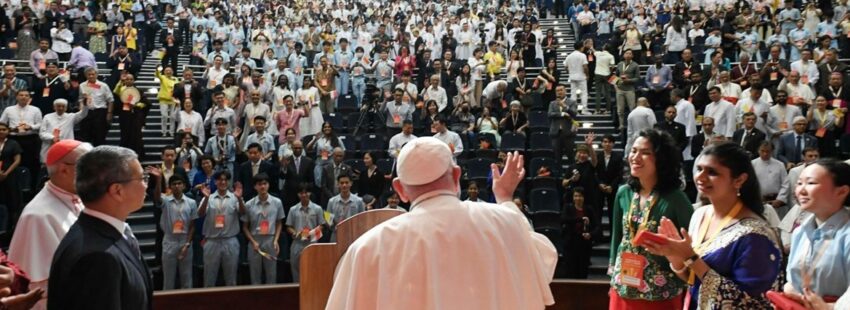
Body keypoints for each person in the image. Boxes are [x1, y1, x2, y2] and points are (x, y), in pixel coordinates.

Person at [326, 139, 557, 309]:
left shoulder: (367, 248)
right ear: (457, 177)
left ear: (400, 190)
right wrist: (505, 198)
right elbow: (543, 261)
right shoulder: (506, 223)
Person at [642, 142, 782, 309]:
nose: (700, 177)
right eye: (699, 169)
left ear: (739, 180)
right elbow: (693, 279)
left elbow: (749, 302)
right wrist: (674, 255)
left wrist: (691, 257)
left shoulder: (755, 234)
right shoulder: (700, 214)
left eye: (712, 172)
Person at [48, 145, 153, 310]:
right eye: (142, 178)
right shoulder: (99, 257)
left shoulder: (95, 231)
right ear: (117, 190)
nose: (146, 185)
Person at [608, 129, 693, 309]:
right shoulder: (624, 193)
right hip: (623, 285)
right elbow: (618, 236)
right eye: (634, 150)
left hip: (661, 292)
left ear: (661, 159)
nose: (636, 157)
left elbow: (692, 244)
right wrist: (611, 275)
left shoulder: (676, 198)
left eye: (646, 153)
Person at [8, 140, 91, 310]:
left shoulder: (79, 200)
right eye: (88, 166)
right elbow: (38, 287)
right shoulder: (38, 216)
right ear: (64, 169)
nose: (96, 173)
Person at [782, 159, 850, 308]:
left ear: (842, 191)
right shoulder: (800, 232)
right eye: (799, 183)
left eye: (811, 183)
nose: (801, 190)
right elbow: (793, 279)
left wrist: (829, 307)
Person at [198, 170, 245, 287]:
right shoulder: (208, 197)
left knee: (231, 278)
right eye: (220, 179)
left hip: (230, 240)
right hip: (212, 241)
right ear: (215, 181)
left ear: (229, 182)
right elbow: (200, 214)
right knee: (209, 278)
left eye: (225, 180)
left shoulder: (235, 197)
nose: (223, 182)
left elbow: (243, 213)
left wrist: (239, 198)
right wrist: (206, 198)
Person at [150, 173, 196, 290]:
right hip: (169, 241)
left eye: (179, 183)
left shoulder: (191, 202)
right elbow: (156, 198)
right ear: (170, 187)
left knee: (187, 278)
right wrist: (159, 179)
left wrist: (187, 244)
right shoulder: (165, 200)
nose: (177, 186)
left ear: (184, 186)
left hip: (184, 241)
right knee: (168, 279)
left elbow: (192, 226)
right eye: (174, 184)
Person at [241, 173, 284, 285]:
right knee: (255, 275)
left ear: (268, 185)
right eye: (259, 184)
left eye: (265, 184)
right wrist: (253, 241)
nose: (262, 187)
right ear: (255, 187)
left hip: (270, 240)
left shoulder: (277, 202)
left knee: (271, 274)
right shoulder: (249, 204)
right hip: (255, 241)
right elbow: (245, 227)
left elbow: (279, 223)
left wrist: (276, 240)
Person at [285, 183, 325, 283]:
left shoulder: (317, 208)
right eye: (301, 193)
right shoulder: (293, 209)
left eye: (306, 192)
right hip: (297, 243)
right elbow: (288, 226)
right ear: (298, 194)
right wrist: (294, 233)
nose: (304, 195)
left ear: (310, 193)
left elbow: (322, 225)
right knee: (296, 272)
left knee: (313, 271)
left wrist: (312, 233)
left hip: (312, 243)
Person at [561, 187, 599, 279]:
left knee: (583, 271)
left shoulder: (589, 209)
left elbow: (597, 226)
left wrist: (590, 234)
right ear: (573, 197)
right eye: (576, 196)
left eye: (580, 196)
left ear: (584, 197)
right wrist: (580, 219)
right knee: (571, 270)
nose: (578, 198)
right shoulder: (568, 207)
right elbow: (564, 219)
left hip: (584, 243)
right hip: (571, 243)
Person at [38, 99, 87, 163]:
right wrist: (52, 138)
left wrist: (85, 105)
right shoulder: (47, 117)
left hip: (66, 148)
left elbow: (83, 114)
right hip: (50, 146)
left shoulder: (71, 117)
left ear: (66, 108)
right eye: (58, 106)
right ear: (54, 107)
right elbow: (42, 133)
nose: (61, 108)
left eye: (63, 106)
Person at [78, 67, 115, 147]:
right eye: (89, 74)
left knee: (99, 136)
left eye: (93, 74)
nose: (91, 76)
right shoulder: (82, 85)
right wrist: (81, 110)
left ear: (97, 75)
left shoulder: (103, 85)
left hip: (100, 112)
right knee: (85, 137)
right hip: (87, 112)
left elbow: (110, 100)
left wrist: (109, 113)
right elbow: (81, 99)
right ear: (85, 75)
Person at [549, 84, 577, 163]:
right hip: (556, 134)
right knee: (557, 158)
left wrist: (565, 106)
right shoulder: (552, 103)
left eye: (561, 90)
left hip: (568, 133)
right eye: (557, 91)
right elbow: (550, 114)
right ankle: (558, 175)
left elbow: (574, 113)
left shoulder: (572, 102)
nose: (559, 92)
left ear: (565, 91)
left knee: (571, 157)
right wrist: (562, 114)